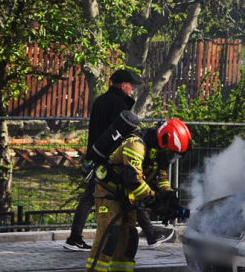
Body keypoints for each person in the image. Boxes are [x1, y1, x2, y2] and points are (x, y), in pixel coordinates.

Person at [81, 118, 192, 272]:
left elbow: (162, 178)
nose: (172, 158)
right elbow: (134, 180)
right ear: (164, 142)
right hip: (109, 193)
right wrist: (156, 204)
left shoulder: (159, 152)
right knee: (109, 237)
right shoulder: (136, 146)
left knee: (129, 240)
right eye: (172, 154)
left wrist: (171, 199)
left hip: (127, 197)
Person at [64, 69, 174, 251]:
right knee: (125, 193)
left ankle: (151, 234)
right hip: (112, 159)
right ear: (123, 85)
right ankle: (75, 238)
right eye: (131, 86)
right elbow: (122, 133)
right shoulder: (119, 103)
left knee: (99, 197)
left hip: (98, 154)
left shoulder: (100, 100)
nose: (131, 89)